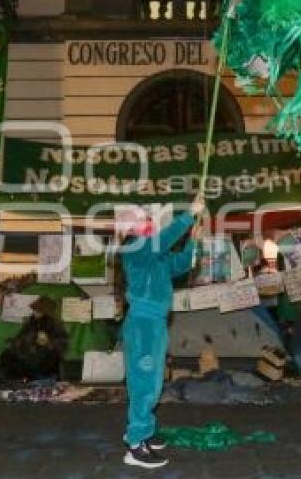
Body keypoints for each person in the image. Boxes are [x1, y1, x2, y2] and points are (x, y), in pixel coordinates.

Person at [118, 195, 205, 469]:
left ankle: (144, 430)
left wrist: (194, 241)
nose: (150, 222)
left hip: (155, 323)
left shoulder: (153, 254)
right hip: (144, 325)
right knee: (145, 381)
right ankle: (135, 445)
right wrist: (189, 214)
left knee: (152, 379)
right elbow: (162, 240)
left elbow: (180, 266)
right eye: (144, 220)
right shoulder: (134, 250)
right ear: (131, 228)